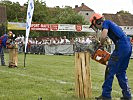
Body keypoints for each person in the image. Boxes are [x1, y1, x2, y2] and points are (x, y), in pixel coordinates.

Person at [89, 13, 132, 100]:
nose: (96, 28)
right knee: (121, 72)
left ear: (97, 22)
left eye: (94, 25)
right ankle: (127, 95)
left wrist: (100, 44)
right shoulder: (111, 23)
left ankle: (106, 95)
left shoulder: (106, 23)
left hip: (121, 46)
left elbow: (104, 35)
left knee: (110, 69)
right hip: (127, 46)